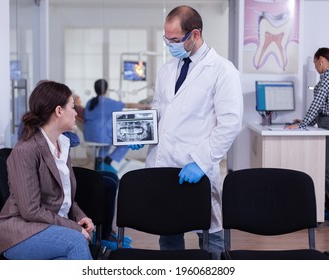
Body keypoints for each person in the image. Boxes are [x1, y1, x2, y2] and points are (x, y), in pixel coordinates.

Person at [131, 6, 243, 254]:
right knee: (169, 237)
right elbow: (159, 110)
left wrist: (201, 162)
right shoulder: (167, 70)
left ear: (195, 34)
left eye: (174, 40)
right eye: (166, 39)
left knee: (211, 240)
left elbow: (230, 124)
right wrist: (144, 131)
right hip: (163, 167)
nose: (170, 45)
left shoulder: (223, 71)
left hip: (196, 169)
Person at [0, 80, 94, 259]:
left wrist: (80, 216)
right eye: (72, 107)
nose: (76, 112)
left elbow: (65, 197)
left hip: (50, 227)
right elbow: (30, 210)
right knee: (76, 241)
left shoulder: (63, 144)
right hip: (21, 232)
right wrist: (74, 228)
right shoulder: (25, 151)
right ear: (59, 111)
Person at [286, 47, 329, 226]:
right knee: (324, 169)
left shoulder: (328, 77)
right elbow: (320, 110)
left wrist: (302, 124)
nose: (315, 67)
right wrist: (304, 122)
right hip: (328, 125)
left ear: (320, 60)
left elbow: (317, 104)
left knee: (327, 170)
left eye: (316, 64)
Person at [84, 78, 150, 173]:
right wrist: (146, 106)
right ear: (106, 89)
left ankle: (101, 161)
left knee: (108, 140)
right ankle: (109, 160)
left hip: (89, 135)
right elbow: (129, 105)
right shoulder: (107, 102)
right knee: (128, 139)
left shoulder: (90, 102)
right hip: (101, 136)